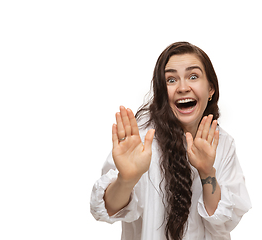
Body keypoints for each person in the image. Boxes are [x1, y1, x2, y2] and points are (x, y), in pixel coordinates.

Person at [90, 42, 251, 240]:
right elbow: (106, 210)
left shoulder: (223, 143)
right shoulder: (141, 141)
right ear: (161, 92)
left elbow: (222, 223)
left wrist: (207, 172)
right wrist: (127, 179)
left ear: (210, 89)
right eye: (171, 79)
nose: (183, 87)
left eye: (193, 76)